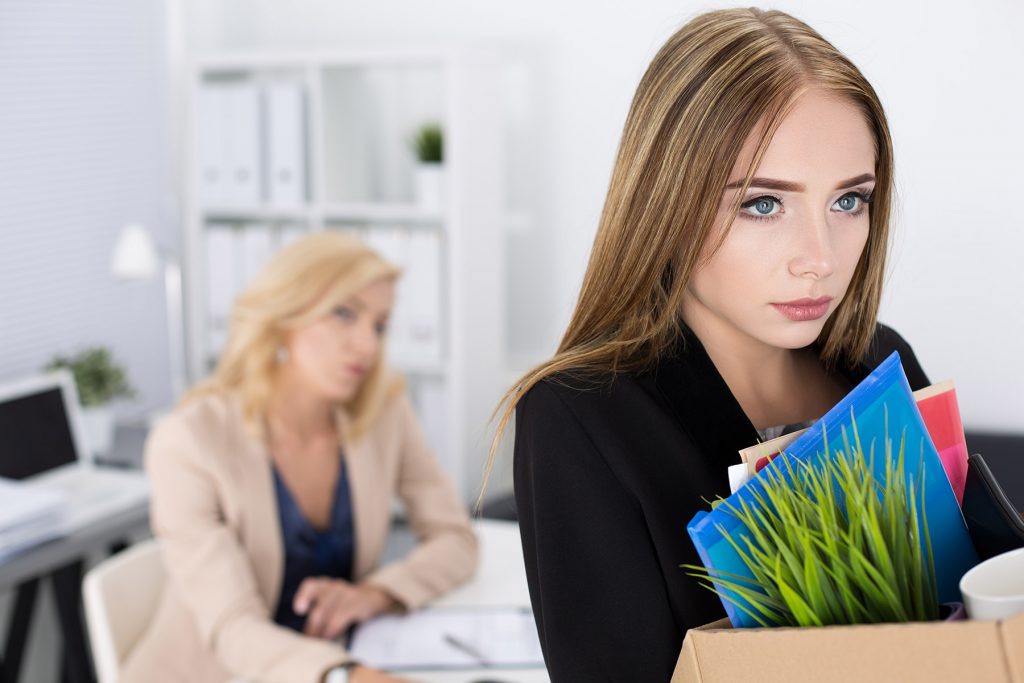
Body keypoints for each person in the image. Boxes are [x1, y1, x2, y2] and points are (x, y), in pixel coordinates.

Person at [488, 8, 933, 681]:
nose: (819, 257)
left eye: (849, 201)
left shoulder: (879, 361)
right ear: (665, 201)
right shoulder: (580, 415)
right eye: (763, 203)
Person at [122, 232, 478, 683]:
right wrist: (348, 676)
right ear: (285, 315)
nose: (367, 345)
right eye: (344, 313)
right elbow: (234, 629)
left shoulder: (383, 413)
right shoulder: (190, 442)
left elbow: (456, 538)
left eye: (379, 325)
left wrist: (374, 594)